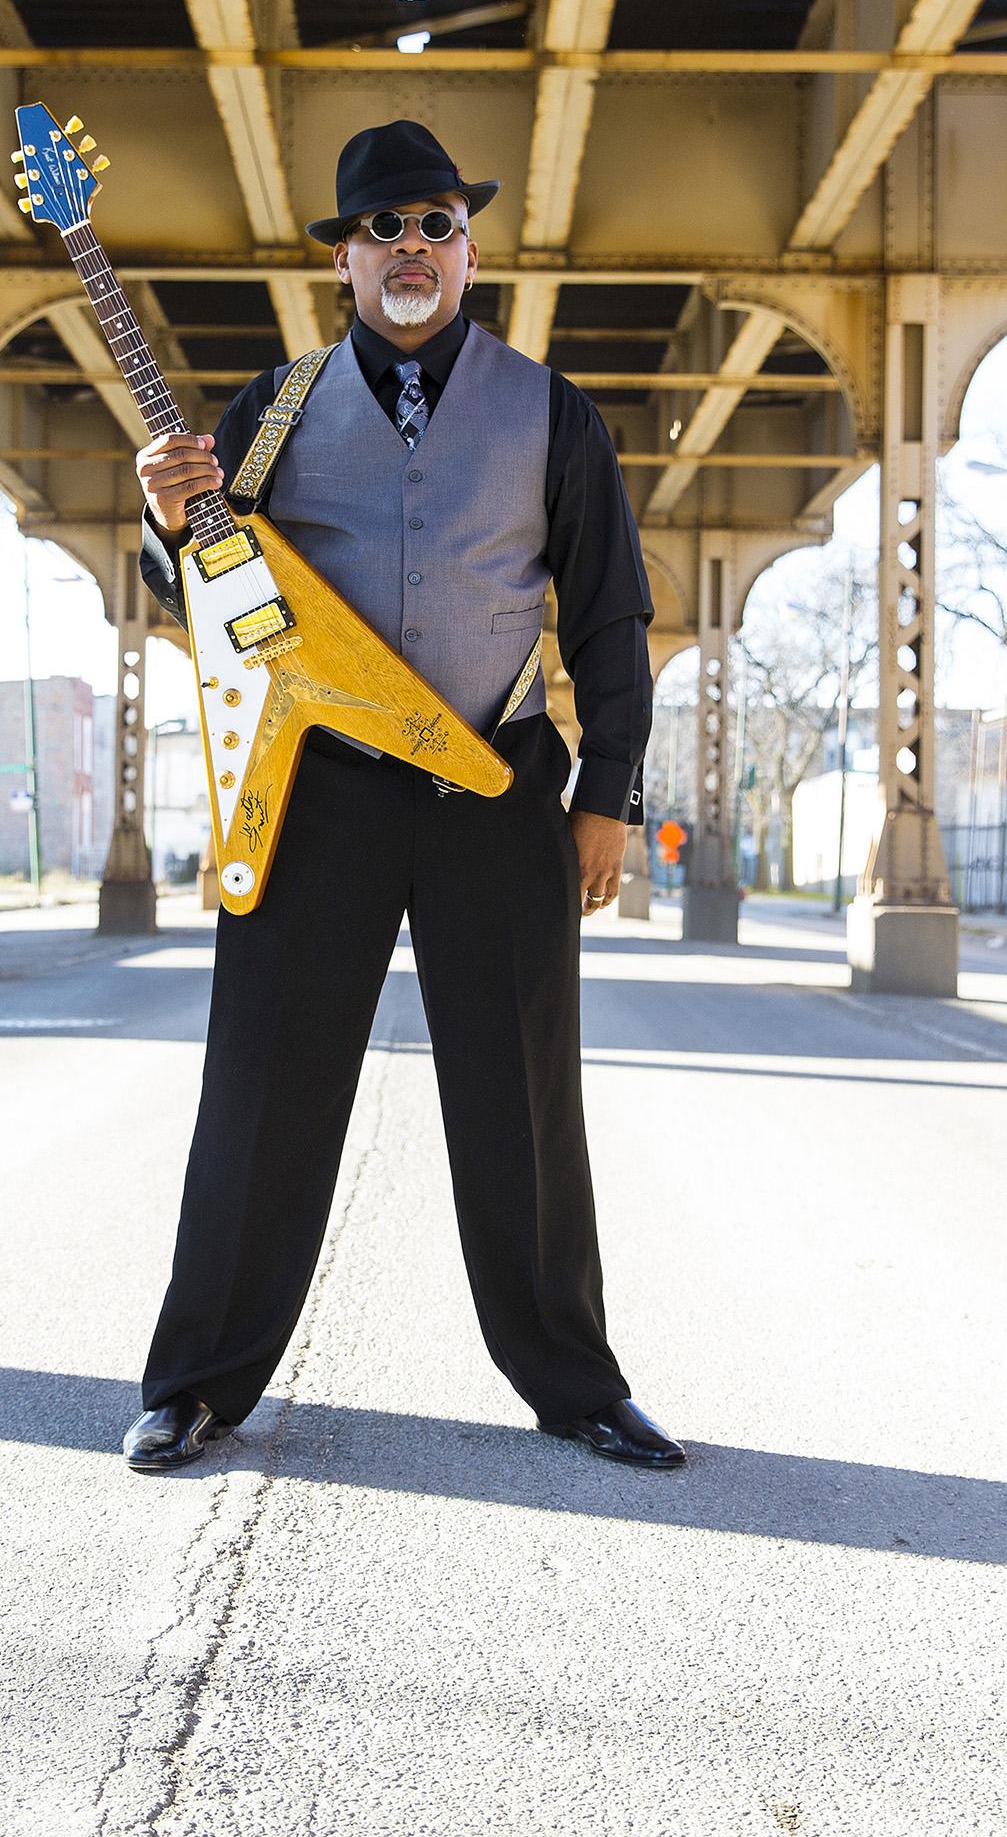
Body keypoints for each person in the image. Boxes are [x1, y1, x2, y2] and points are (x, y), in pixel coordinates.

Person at [119, 118, 682, 1475]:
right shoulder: (272, 411)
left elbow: (611, 618)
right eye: (385, 229)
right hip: (320, 799)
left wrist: (605, 797)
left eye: (435, 225)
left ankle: (574, 1381)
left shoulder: (552, 412)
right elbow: (207, 598)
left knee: (527, 1104)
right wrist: (159, 514)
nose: (411, 250)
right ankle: (195, 1385)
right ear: (344, 261)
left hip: (497, 784)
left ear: (470, 251)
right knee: (261, 1086)